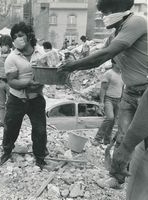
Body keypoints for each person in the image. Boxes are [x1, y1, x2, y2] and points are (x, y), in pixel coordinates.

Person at [59, 0, 148, 197]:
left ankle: (139, 181)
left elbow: (105, 55)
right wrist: (73, 63)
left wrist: (73, 66)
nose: (102, 16)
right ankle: (117, 178)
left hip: (145, 93)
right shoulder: (113, 36)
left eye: (105, 11)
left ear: (119, 9)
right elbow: (97, 57)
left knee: (138, 139)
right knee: (123, 138)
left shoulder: (137, 22)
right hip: (130, 93)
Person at [0, 22, 48, 169]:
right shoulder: (11, 58)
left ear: (29, 35)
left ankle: (40, 157)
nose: (18, 39)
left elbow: (47, 73)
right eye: (15, 37)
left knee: (40, 130)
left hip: (36, 99)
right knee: (11, 128)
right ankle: (6, 151)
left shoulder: (41, 53)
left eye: (21, 35)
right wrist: (28, 84)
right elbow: (12, 81)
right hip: (16, 99)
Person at [92, 59, 124, 146]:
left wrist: (122, 100)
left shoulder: (122, 74)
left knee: (113, 121)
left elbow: (122, 88)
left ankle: (107, 140)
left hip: (118, 100)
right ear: (114, 63)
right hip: (109, 99)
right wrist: (101, 102)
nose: (121, 63)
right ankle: (97, 138)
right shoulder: (109, 74)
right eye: (119, 62)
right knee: (110, 118)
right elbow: (103, 88)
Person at [0, 35, 12, 127]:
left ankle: (11, 121)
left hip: (11, 83)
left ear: (9, 45)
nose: (4, 47)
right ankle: (2, 121)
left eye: (6, 45)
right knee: (1, 104)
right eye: (2, 45)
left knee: (11, 103)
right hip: (0, 82)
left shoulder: (13, 55)